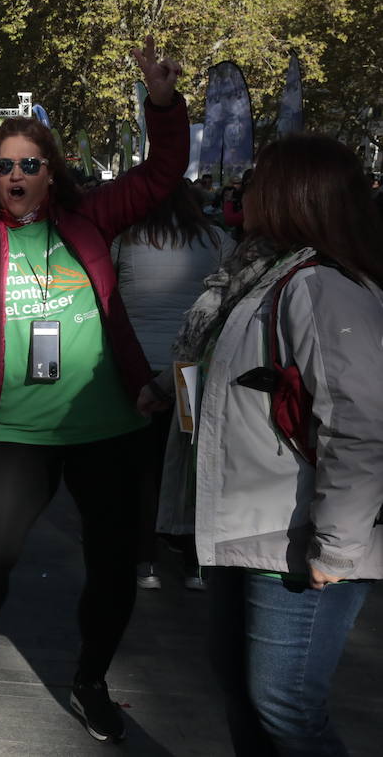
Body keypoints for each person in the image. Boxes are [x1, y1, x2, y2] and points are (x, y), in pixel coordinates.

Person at [0, 37, 188, 742]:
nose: (18, 174)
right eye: (5, 166)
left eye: (31, 164)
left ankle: (91, 678)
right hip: (20, 435)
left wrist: (162, 101)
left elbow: (164, 172)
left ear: (51, 174)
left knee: (114, 571)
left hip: (109, 428)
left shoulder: (91, 219)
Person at [159, 134, 383, 756]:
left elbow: (359, 424)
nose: (244, 190)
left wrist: (336, 549)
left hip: (297, 539)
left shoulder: (321, 287)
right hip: (250, 529)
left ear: (294, 193)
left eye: (258, 179)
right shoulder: (259, 276)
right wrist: (163, 387)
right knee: (246, 696)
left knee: (286, 706)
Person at [112, 179, 230, 591]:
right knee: (193, 467)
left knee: (142, 467)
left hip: (137, 370)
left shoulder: (126, 241)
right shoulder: (217, 241)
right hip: (192, 372)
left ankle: (144, 561)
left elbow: (106, 296)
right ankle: (196, 563)